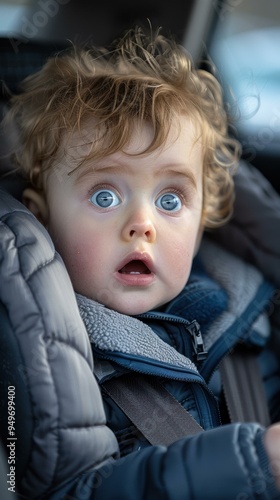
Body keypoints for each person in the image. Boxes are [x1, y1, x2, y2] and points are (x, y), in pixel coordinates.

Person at [4, 26, 280, 498]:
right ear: (44, 217)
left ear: (202, 224)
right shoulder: (43, 361)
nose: (142, 224)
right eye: (106, 195)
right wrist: (255, 464)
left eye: (170, 200)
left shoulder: (250, 327)